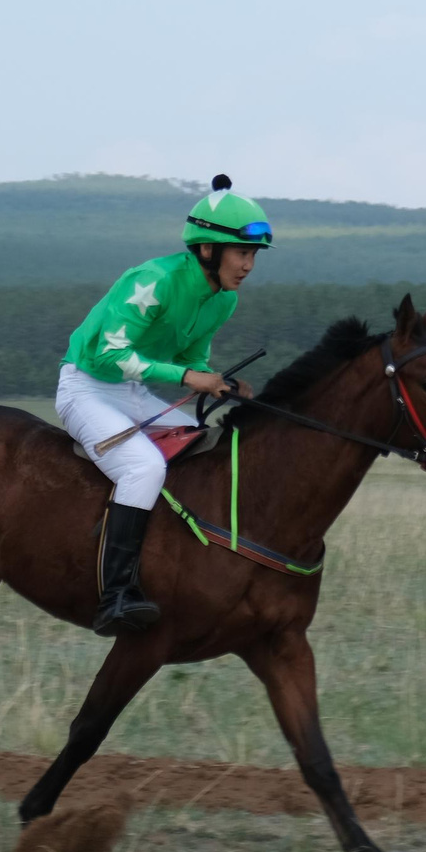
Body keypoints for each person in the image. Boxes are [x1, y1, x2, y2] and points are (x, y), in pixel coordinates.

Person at [57, 175, 271, 635]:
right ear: (208, 250)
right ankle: (114, 596)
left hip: (131, 393)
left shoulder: (222, 301)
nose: (249, 265)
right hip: (86, 388)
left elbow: (192, 359)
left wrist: (218, 384)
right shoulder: (152, 281)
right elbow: (113, 354)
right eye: (242, 253)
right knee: (144, 469)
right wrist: (190, 377)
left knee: (206, 449)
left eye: (253, 255)